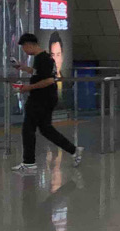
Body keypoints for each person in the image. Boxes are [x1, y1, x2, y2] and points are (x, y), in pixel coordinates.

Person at [11, 33, 82, 172]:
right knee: (46, 129)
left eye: (24, 47)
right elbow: (39, 73)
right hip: (46, 97)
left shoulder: (43, 58)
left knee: (28, 129)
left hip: (41, 98)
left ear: (29, 45)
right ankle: (74, 150)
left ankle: (29, 162)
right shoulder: (43, 58)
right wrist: (22, 67)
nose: (24, 50)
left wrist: (27, 88)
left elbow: (49, 80)